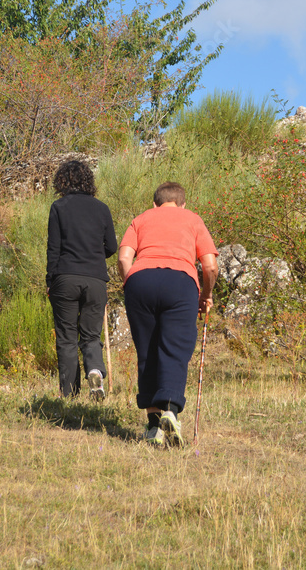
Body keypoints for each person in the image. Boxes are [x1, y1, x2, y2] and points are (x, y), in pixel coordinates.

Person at [118, 182, 218, 447]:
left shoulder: (141, 219)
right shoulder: (193, 219)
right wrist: (205, 295)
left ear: (155, 204)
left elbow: (123, 258)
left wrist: (130, 283)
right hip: (180, 281)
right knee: (174, 347)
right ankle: (171, 412)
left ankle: (153, 426)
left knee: (147, 350)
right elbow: (210, 266)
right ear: (183, 204)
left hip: (140, 280)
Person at [46, 159, 117, 400]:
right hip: (96, 280)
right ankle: (95, 371)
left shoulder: (58, 207)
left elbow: (53, 249)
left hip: (65, 278)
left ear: (62, 181)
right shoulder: (102, 208)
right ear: (89, 180)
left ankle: (69, 395)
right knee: (91, 336)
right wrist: (96, 253)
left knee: (66, 338)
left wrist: (50, 281)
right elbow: (112, 247)